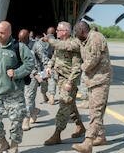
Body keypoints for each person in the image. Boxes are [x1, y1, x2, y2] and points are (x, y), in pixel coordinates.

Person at [44, 21, 112, 153]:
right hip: (91, 80)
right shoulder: (82, 40)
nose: (75, 35)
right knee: (94, 109)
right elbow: (66, 45)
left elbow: (93, 59)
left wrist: (80, 69)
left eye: (76, 32)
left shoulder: (96, 38)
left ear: (81, 31)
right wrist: (49, 41)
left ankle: (88, 142)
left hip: (101, 79)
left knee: (96, 111)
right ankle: (100, 136)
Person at [0, 21, 35, 153]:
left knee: (17, 122)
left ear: (10, 33)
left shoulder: (19, 48)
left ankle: (14, 145)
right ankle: (2, 142)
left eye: (2, 33)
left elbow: (30, 63)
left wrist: (17, 73)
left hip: (14, 92)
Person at [43, 21, 85, 146]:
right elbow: (54, 57)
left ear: (65, 31)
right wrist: (49, 67)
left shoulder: (74, 45)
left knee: (64, 103)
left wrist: (70, 83)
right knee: (70, 104)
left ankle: (57, 134)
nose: (56, 32)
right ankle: (80, 126)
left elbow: (77, 68)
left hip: (68, 80)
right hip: (59, 79)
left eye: (58, 30)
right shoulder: (59, 44)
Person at [18, 29, 41, 131]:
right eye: (20, 40)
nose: (22, 42)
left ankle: (26, 119)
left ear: (28, 38)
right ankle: (34, 111)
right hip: (21, 74)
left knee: (29, 97)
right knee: (22, 98)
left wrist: (44, 73)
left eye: (24, 40)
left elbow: (44, 58)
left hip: (33, 75)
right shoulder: (17, 46)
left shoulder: (36, 45)